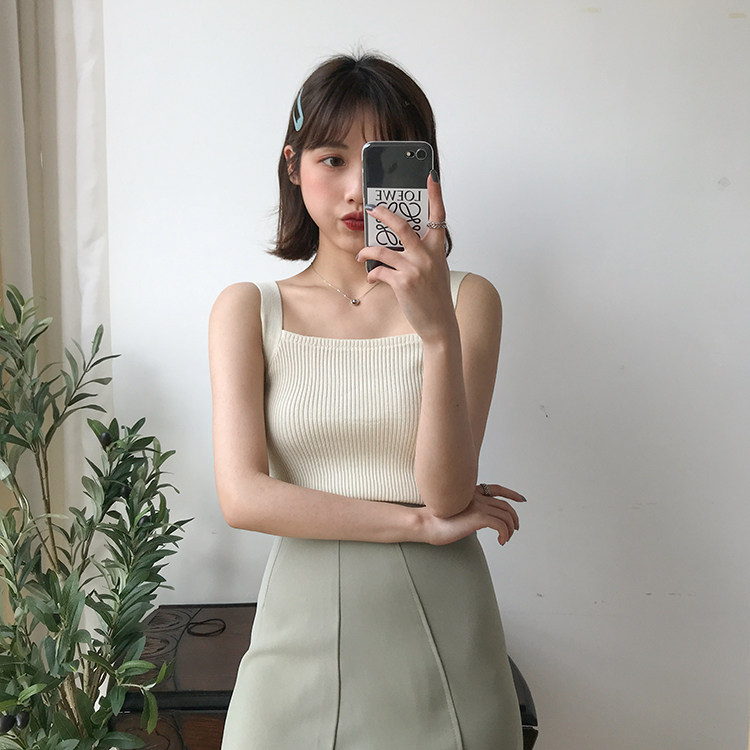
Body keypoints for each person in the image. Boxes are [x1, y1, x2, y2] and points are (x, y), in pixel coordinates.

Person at [209, 52, 526, 750]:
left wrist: (435, 329)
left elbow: (446, 494)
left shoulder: (469, 300)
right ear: (294, 167)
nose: (357, 191)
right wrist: (418, 526)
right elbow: (244, 498)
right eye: (332, 159)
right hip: (299, 629)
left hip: (444, 630)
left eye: (381, 163)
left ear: (423, 174)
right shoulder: (247, 310)